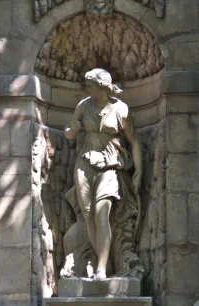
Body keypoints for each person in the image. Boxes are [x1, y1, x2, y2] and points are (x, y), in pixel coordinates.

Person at [64, 68, 143, 280]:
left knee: (101, 211)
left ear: (102, 87)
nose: (86, 89)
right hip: (84, 164)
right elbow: (70, 138)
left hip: (110, 165)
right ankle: (104, 263)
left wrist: (139, 171)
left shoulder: (121, 109)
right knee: (88, 214)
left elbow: (134, 142)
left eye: (89, 85)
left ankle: (100, 267)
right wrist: (71, 130)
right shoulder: (83, 106)